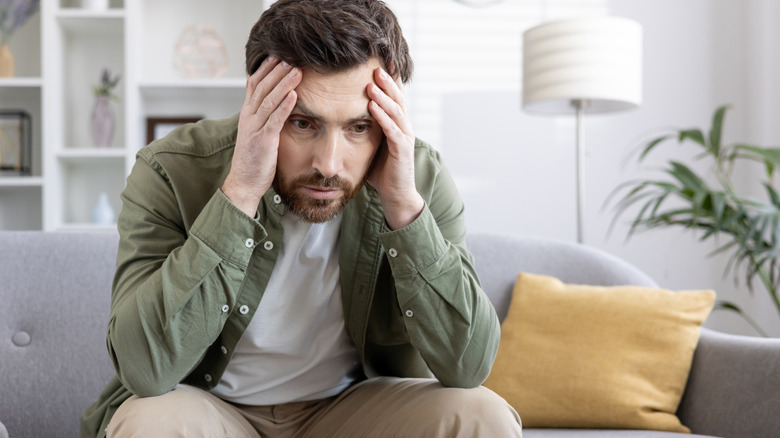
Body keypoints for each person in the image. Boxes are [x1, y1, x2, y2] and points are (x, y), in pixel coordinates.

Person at [81, 0, 522, 436]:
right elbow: (144, 369)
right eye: (303, 123)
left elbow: (468, 366)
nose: (329, 164)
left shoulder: (418, 174)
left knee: (482, 415)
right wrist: (239, 194)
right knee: (151, 424)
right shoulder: (171, 168)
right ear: (258, 98)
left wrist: (404, 207)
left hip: (352, 409)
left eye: (359, 127)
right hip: (210, 407)